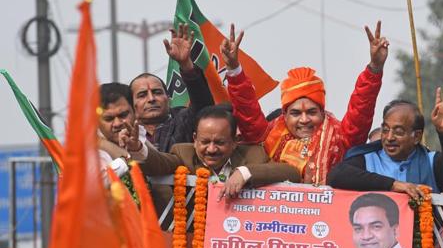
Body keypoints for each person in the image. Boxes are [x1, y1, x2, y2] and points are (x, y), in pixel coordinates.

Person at [222, 22, 388, 184]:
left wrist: (374, 68)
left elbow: (361, 109)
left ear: (322, 113)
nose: (304, 120)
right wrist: (234, 68)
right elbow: (246, 109)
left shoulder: (341, 137)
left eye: (311, 112)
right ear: (284, 115)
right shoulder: (269, 135)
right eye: (295, 113)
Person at [124, 105, 301, 199]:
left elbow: (291, 173)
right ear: (194, 139)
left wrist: (245, 173)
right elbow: (160, 163)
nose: (211, 149)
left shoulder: (253, 155)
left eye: (220, 142)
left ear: (234, 142)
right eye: (205, 142)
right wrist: (137, 149)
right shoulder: (183, 153)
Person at [328, 86, 443, 199]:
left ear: (417, 136)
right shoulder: (369, 159)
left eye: (398, 132)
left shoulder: (431, 162)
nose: (389, 137)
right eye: (385, 130)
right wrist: (393, 185)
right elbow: (336, 175)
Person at [129, 23, 215, 153]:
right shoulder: (125, 132)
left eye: (157, 92)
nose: (151, 99)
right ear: (131, 104)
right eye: (142, 95)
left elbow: (203, 106)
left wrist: (186, 64)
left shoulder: (182, 121)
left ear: (168, 98)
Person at [97, 82, 145, 178]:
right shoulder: (88, 153)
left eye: (123, 115)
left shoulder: (145, 134)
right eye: (108, 119)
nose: (117, 124)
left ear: (135, 111)